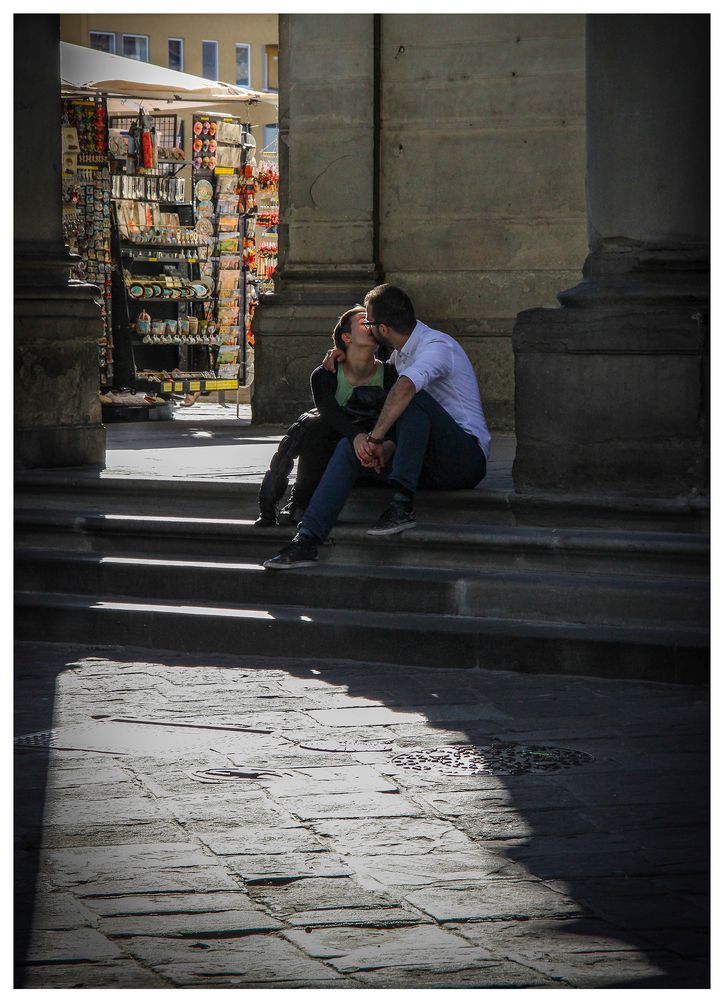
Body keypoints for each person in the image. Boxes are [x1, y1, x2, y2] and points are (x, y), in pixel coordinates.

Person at [263, 283, 491, 569]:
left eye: (368, 321)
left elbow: (406, 392)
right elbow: (409, 422)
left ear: (382, 328)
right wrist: (340, 353)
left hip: (464, 460)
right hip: (424, 461)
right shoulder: (398, 357)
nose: (367, 327)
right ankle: (306, 540)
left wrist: (376, 438)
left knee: (409, 394)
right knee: (350, 446)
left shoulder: (437, 346)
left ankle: (402, 505)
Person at [254, 305, 397, 526]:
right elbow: (330, 414)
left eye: (373, 320)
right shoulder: (324, 375)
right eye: (363, 321)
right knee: (313, 424)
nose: (371, 324)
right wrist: (356, 436)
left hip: (375, 457)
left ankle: (300, 502)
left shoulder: (390, 373)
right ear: (347, 337)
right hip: (331, 454)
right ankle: (292, 501)